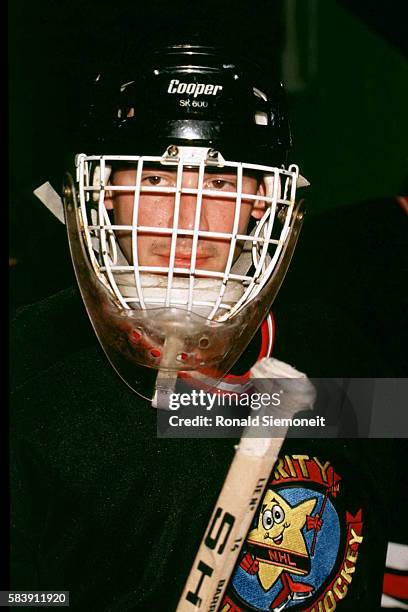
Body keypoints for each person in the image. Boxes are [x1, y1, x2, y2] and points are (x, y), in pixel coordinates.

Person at [10, 44, 401, 611]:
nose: (188, 218)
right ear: (107, 191)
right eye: (156, 174)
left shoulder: (345, 353)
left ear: (263, 198)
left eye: (219, 182)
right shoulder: (28, 367)